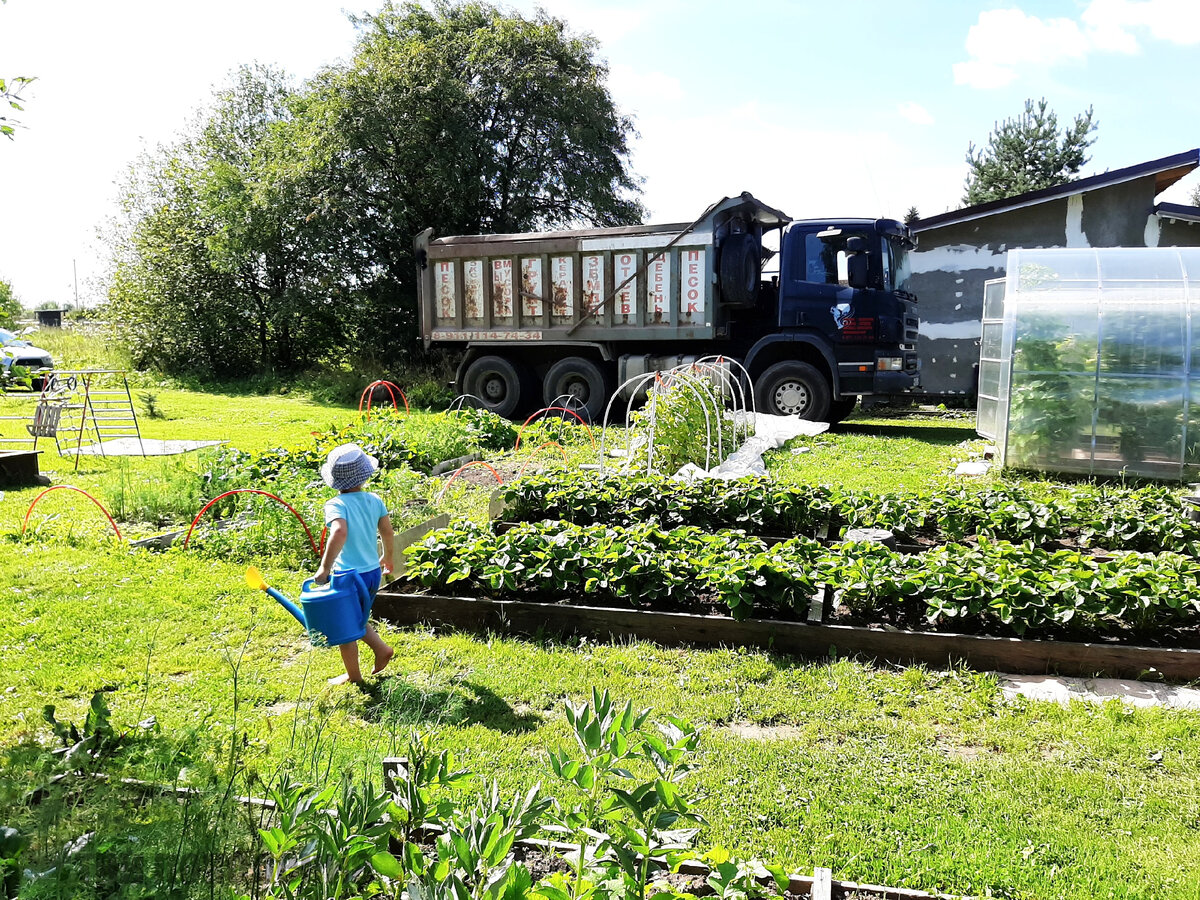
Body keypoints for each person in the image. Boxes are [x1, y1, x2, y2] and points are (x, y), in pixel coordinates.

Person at [315, 443, 395, 685]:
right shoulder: (374, 500)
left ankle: (356, 675)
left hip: (348, 575)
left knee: (345, 626)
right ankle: (380, 650)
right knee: (357, 617)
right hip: (372, 572)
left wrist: (325, 568)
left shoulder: (336, 505)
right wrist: (388, 556)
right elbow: (388, 532)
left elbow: (339, 533)